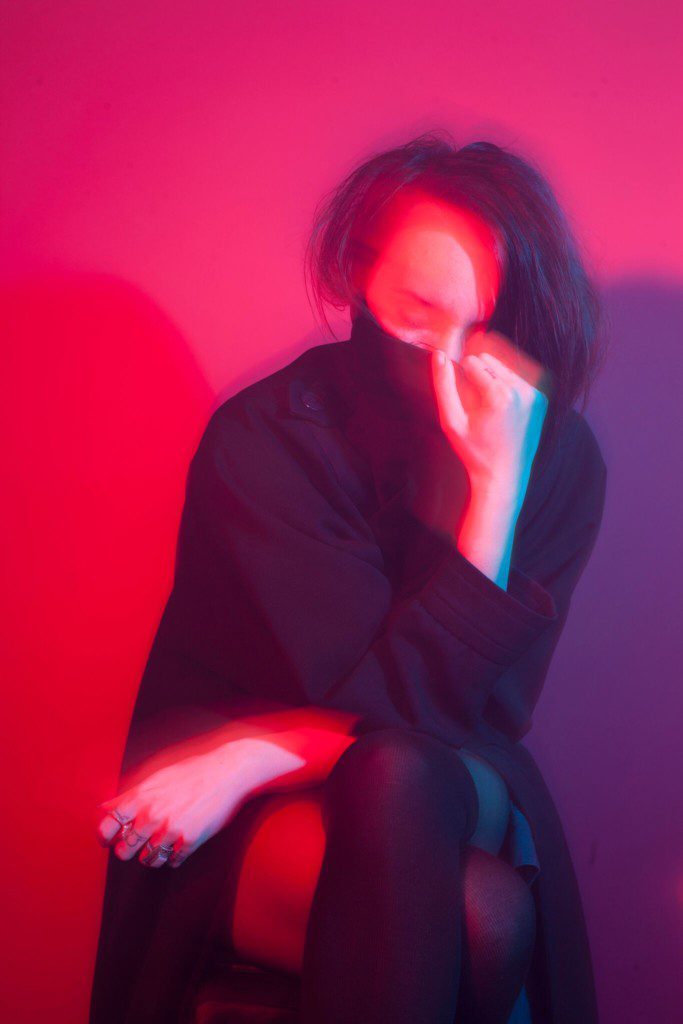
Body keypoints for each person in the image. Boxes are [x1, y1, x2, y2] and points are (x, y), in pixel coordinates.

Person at [89, 132, 608, 1024]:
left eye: (481, 329)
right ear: (357, 277)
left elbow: (474, 714)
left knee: (404, 772)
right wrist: (258, 748)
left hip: (445, 766)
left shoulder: (552, 455)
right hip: (235, 779)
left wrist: (494, 492)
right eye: (417, 311)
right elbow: (359, 702)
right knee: (475, 915)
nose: (446, 361)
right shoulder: (269, 438)